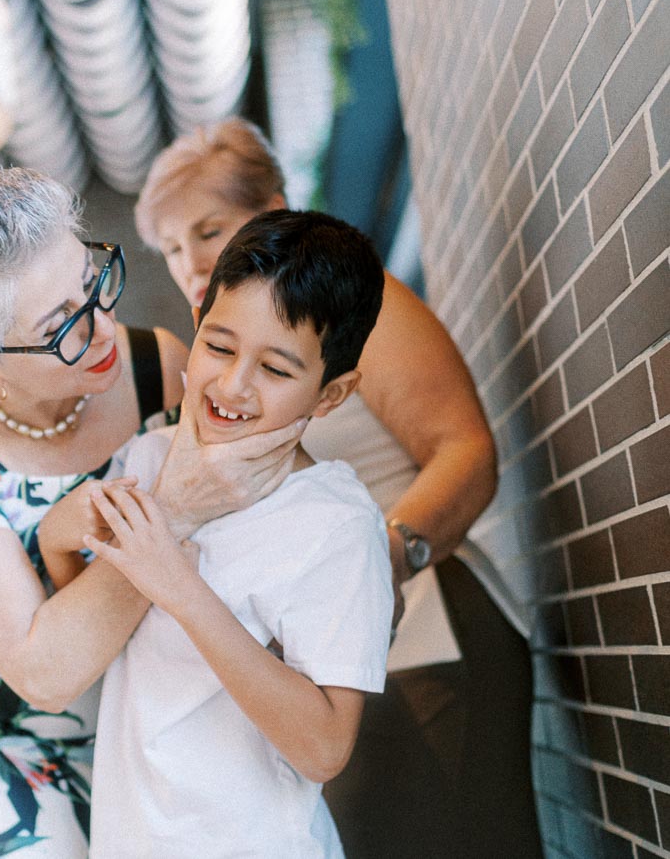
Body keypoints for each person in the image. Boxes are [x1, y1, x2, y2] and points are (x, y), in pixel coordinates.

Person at [0, 167, 308, 857]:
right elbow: (41, 673)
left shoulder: (157, 365)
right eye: (60, 326)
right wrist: (174, 510)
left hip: (146, 712)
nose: (103, 329)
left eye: (90, 282)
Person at [134, 118, 540, 857]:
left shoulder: (363, 311)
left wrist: (379, 565)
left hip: (427, 633)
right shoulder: (222, 365)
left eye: (210, 230)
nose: (193, 260)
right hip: (328, 668)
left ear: (276, 210)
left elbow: (466, 452)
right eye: (171, 246)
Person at [79, 209, 392, 856]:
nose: (232, 385)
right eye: (219, 347)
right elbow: (83, 632)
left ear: (331, 395)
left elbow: (325, 748)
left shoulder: (335, 522)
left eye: (276, 370)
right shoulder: (148, 459)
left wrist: (180, 588)